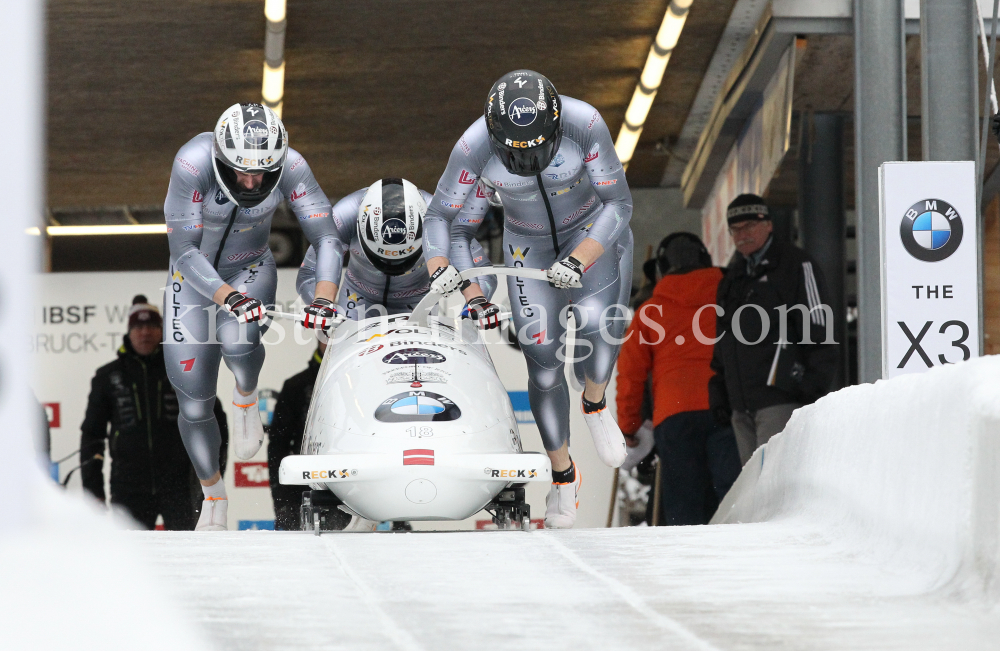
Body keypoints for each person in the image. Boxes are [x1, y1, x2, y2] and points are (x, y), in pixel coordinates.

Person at [422, 70, 634, 529]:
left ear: (557, 129)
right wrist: (449, 274)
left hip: (591, 233)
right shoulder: (472, 148)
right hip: (527, 245)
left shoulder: (586, 124)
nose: (530, 159)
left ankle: (595, 401)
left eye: (540, 147)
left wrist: (579, 260)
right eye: (516, 152)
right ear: (496, 139)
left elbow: (619, 205)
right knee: (540, 355)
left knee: (599, 321)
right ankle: (563, 474)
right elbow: (447, 221)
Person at [163, 103, 340, 531]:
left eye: (262, 173)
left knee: (240, 340)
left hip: (251, 267)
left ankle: (245, 396)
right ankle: (214, 497)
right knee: (193, 399)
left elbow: (327, 237)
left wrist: (324, 297)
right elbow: (184, 251)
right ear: (220, 159)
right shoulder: (192, 162)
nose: (250, 182)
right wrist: (224, 296)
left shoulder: (294, 166)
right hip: (193, 277)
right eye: (240, 171)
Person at [616, 234, 741, 525]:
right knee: (732, 495)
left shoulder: (649, 312)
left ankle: (687, 565)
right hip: (725, 406)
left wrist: (629, 425)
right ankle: (737, 557)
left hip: (674, 415)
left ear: (661, 268)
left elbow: (631, 375)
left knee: (684, 505)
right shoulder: (730, 298)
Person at [709, 194, 839, 465]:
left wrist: (808, 386)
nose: (742, 235)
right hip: (740, 406)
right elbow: (722, 341)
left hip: (780, 399)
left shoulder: (796, 264)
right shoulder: (732, 278)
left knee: (775, 482)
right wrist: (720, 391)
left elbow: (818, 327)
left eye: (749, 226)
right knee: (755, 487)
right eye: (735, 229)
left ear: (768, 224)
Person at [80, 296, 228, 530]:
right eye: (138, 327)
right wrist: (93, 491)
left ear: (162, 331)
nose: (145, 333)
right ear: (129, 332)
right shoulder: (107, 376)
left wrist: (211, 481)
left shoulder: (183, 370)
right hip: (128, 487)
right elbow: (92, 435)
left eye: (152, 326)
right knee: (128, 560)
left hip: (180, 486)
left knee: (190, 557)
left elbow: (214, 422)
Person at [294, 177, 496, 320]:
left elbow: (482, 271)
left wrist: (476, 302)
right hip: (358, 299)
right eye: (382, 257)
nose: (393, 265)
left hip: (418, 301)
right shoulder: (344, 216)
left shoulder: (438, 217)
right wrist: (321, 303)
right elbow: (309, 272)